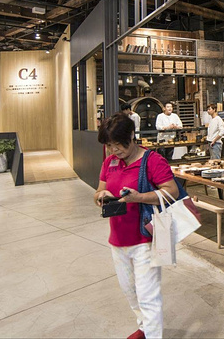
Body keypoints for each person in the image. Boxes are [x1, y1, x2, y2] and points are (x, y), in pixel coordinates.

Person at [94, 112, 180, 339]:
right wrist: (101, 195)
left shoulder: (152, 160)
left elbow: (172, 192)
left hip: (145, 239)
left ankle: (152, 334)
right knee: (129, 291)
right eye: (109, 145)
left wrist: (138, 197)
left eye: (118, 144)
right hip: (117, 239)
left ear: (132, 135)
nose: (114, 150)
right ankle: (143, 326)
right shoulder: (109, 162)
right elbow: (99, 190)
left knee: (148, 296)